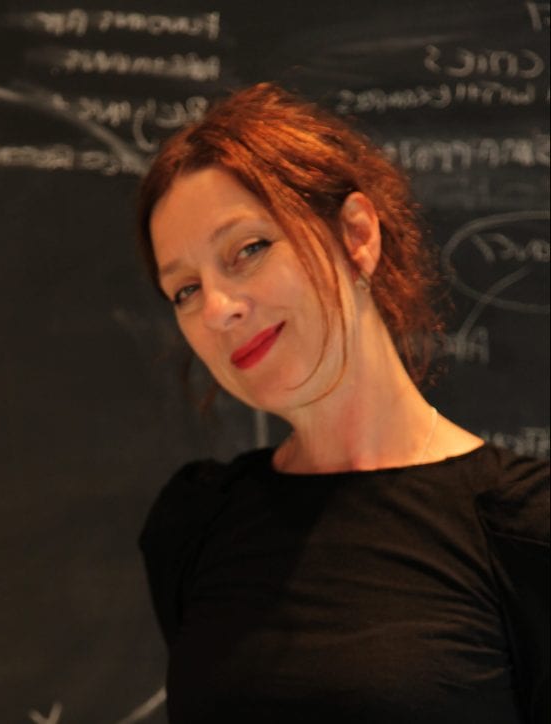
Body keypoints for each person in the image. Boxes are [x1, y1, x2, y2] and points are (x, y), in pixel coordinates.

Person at [136, 83, 549, 724]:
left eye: (247, 250)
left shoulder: (524, 526)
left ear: (356, 235)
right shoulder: (196, 524)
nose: (218, 309)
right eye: (185, 289)